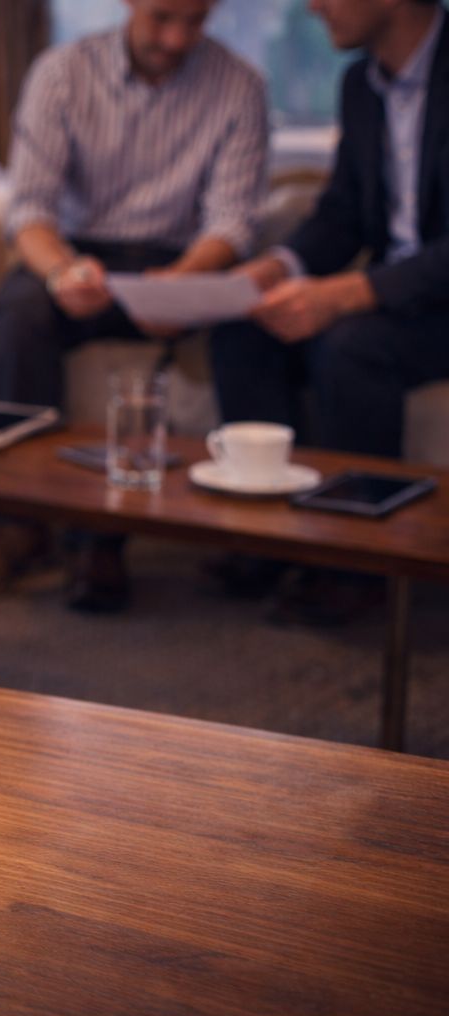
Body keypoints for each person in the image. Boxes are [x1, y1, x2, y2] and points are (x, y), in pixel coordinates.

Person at [0, 0, 269, 611]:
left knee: (248, 329)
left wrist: (177, 283)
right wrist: (64, 271)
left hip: (182, 257)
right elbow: (30, 212)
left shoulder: (240, 85)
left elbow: (232, 221)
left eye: (195, 22)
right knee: (18, 314)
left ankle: (245, 538)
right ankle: (15, 521)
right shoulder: (62, 73)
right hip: (79, 254)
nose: (177, 38)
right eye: (163, 17)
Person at [208, 0, 449, 625]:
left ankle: (358, 562)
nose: (312, 7)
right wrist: (276, 268)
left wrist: (347, 294)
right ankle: (267, 536)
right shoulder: (361, 83)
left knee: (349, 345)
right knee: (245, 324)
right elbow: (343, 212)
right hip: (403, 295)